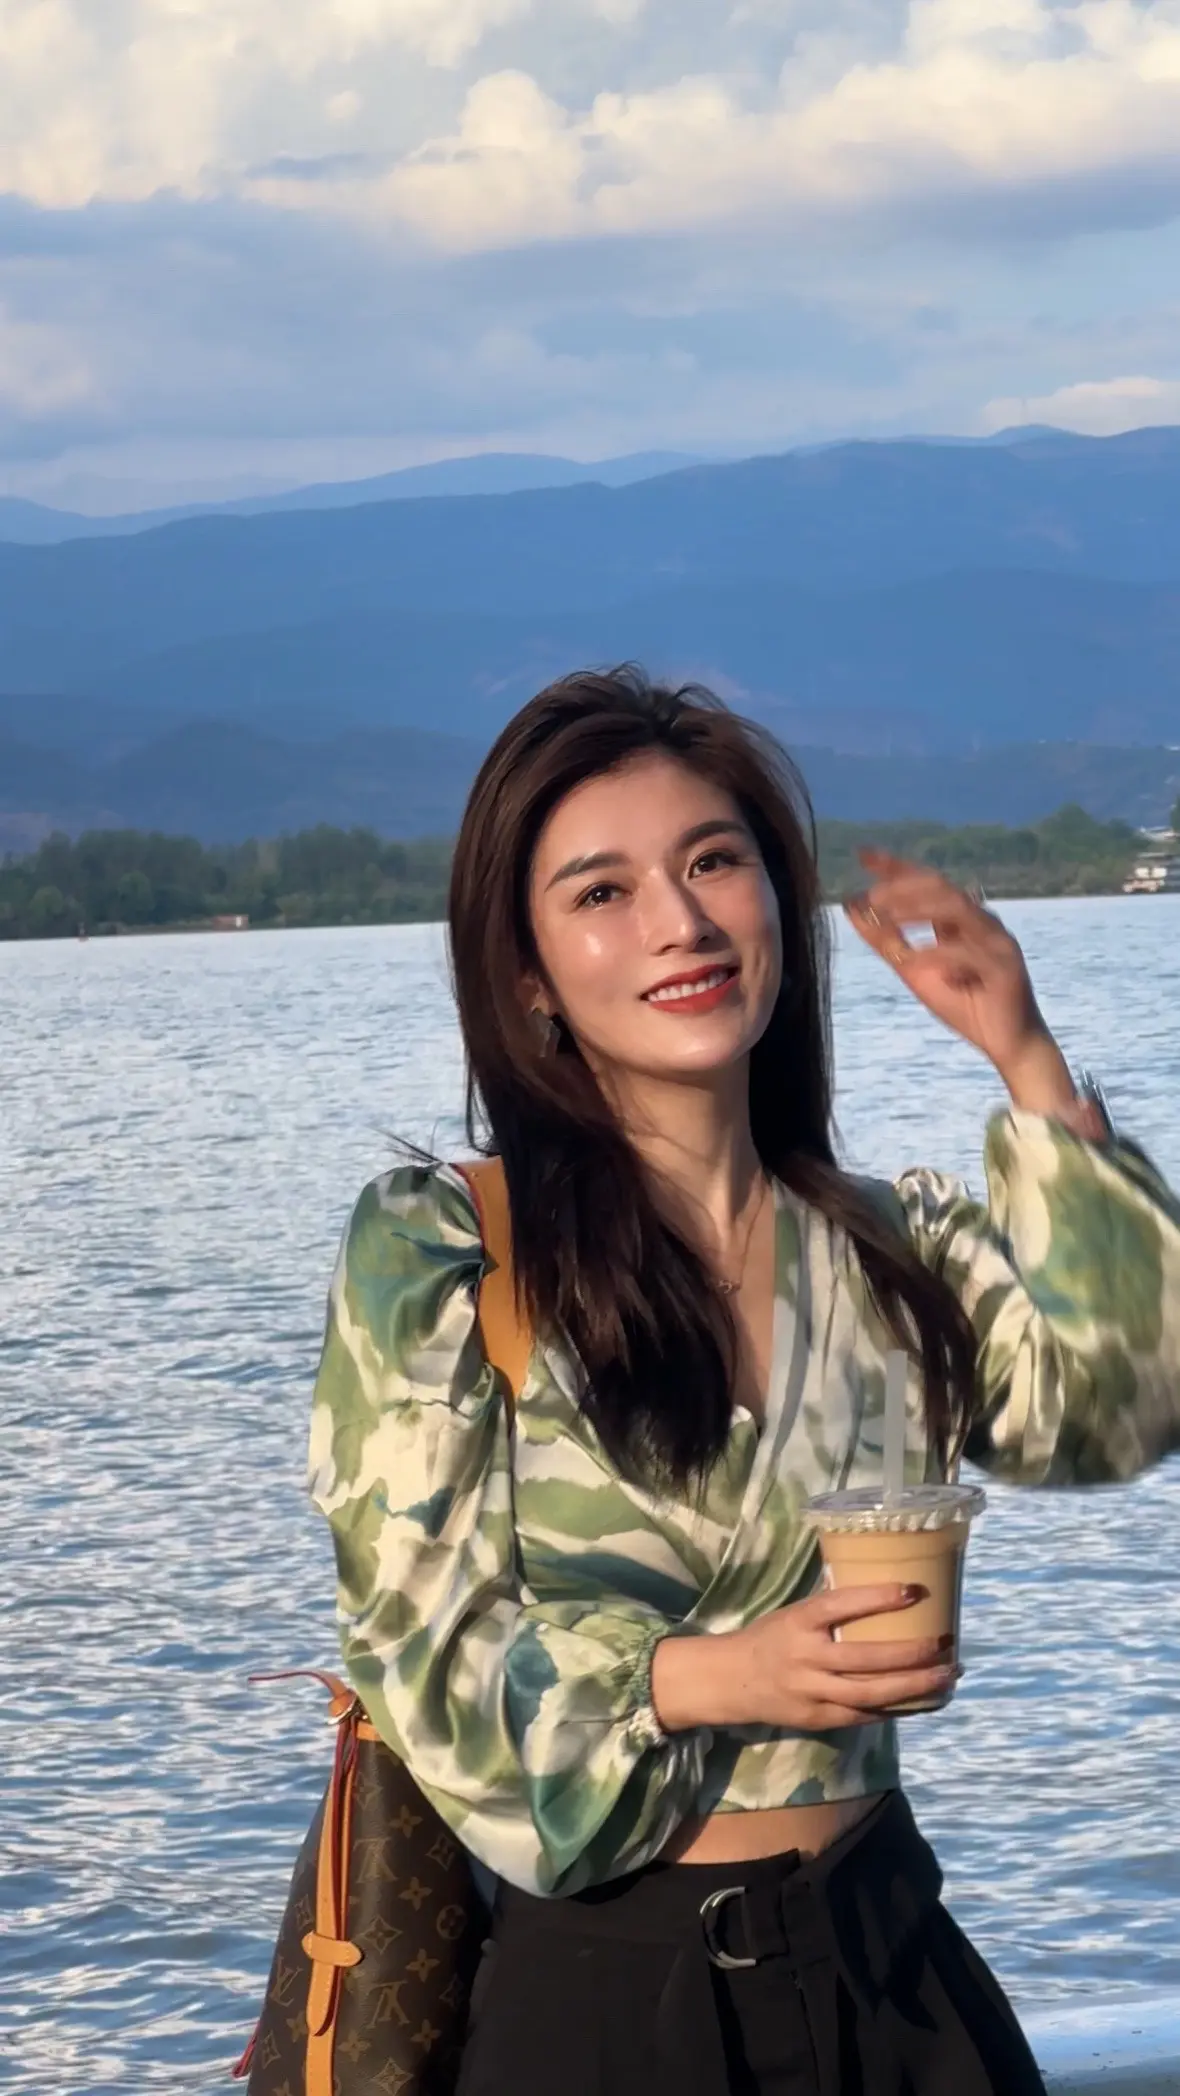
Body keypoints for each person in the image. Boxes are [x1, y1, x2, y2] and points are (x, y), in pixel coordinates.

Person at [308, 669, 1180, 2096]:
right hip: (609, 2002)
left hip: (897, 1976)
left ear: (778, 902)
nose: (682, 922)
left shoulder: (890, 1247)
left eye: (714, 862)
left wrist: (1026, 1062)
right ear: (526, 974)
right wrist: (724, 1675)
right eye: (604, 891)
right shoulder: (450, 1254)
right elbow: (426, 1666)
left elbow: (1119, 1409)